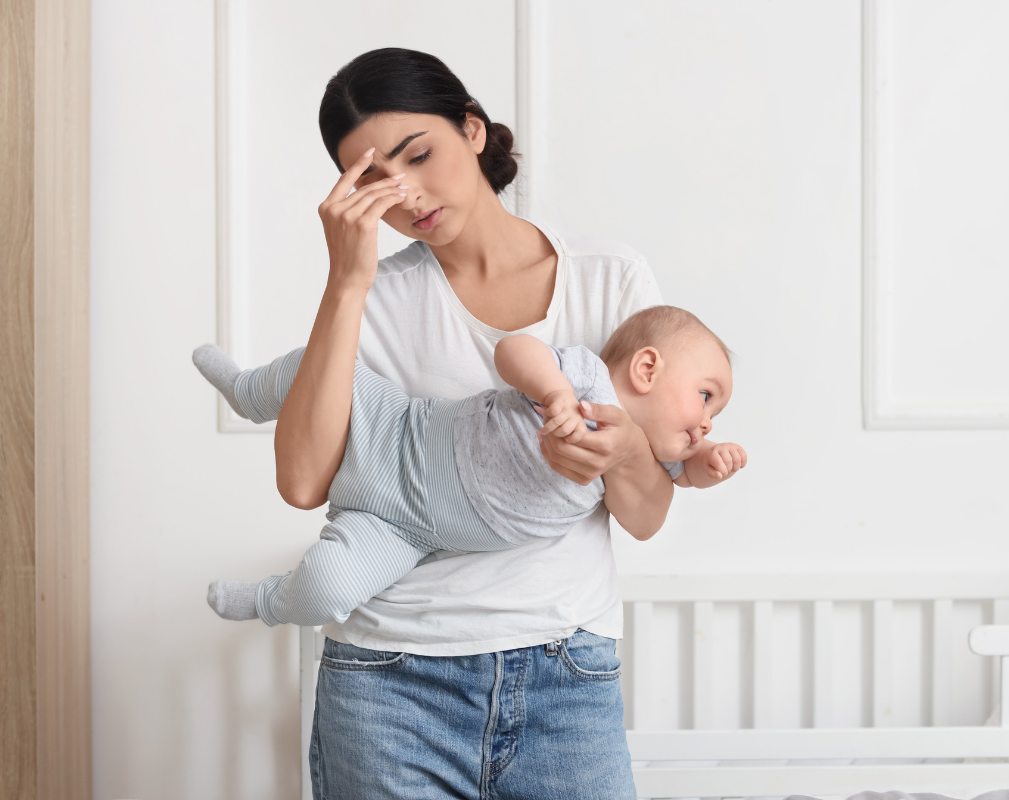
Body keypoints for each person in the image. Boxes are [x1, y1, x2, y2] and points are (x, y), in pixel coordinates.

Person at [257, 46, 684, 798]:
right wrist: (347, 281)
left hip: (566, 675)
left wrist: (623, 458)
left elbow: (645, 518)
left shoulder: (609, 279)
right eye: (374, 181)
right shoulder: (372, 301)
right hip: (388, 685)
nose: (408, 194)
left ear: (474, 130)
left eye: (418, 154)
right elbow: (300, 481)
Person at [195, 306, 747, 627]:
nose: (707, 423)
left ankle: (268, 601)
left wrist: (708, 463)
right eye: (705, 397)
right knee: (318, 369)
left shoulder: (649, 459)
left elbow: (674, 491)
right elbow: (514, 351)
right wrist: (552, 390)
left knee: (327, 588)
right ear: (647, 368)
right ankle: (249, 391)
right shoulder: (584, 377)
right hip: (399, 430)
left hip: (408, 533)